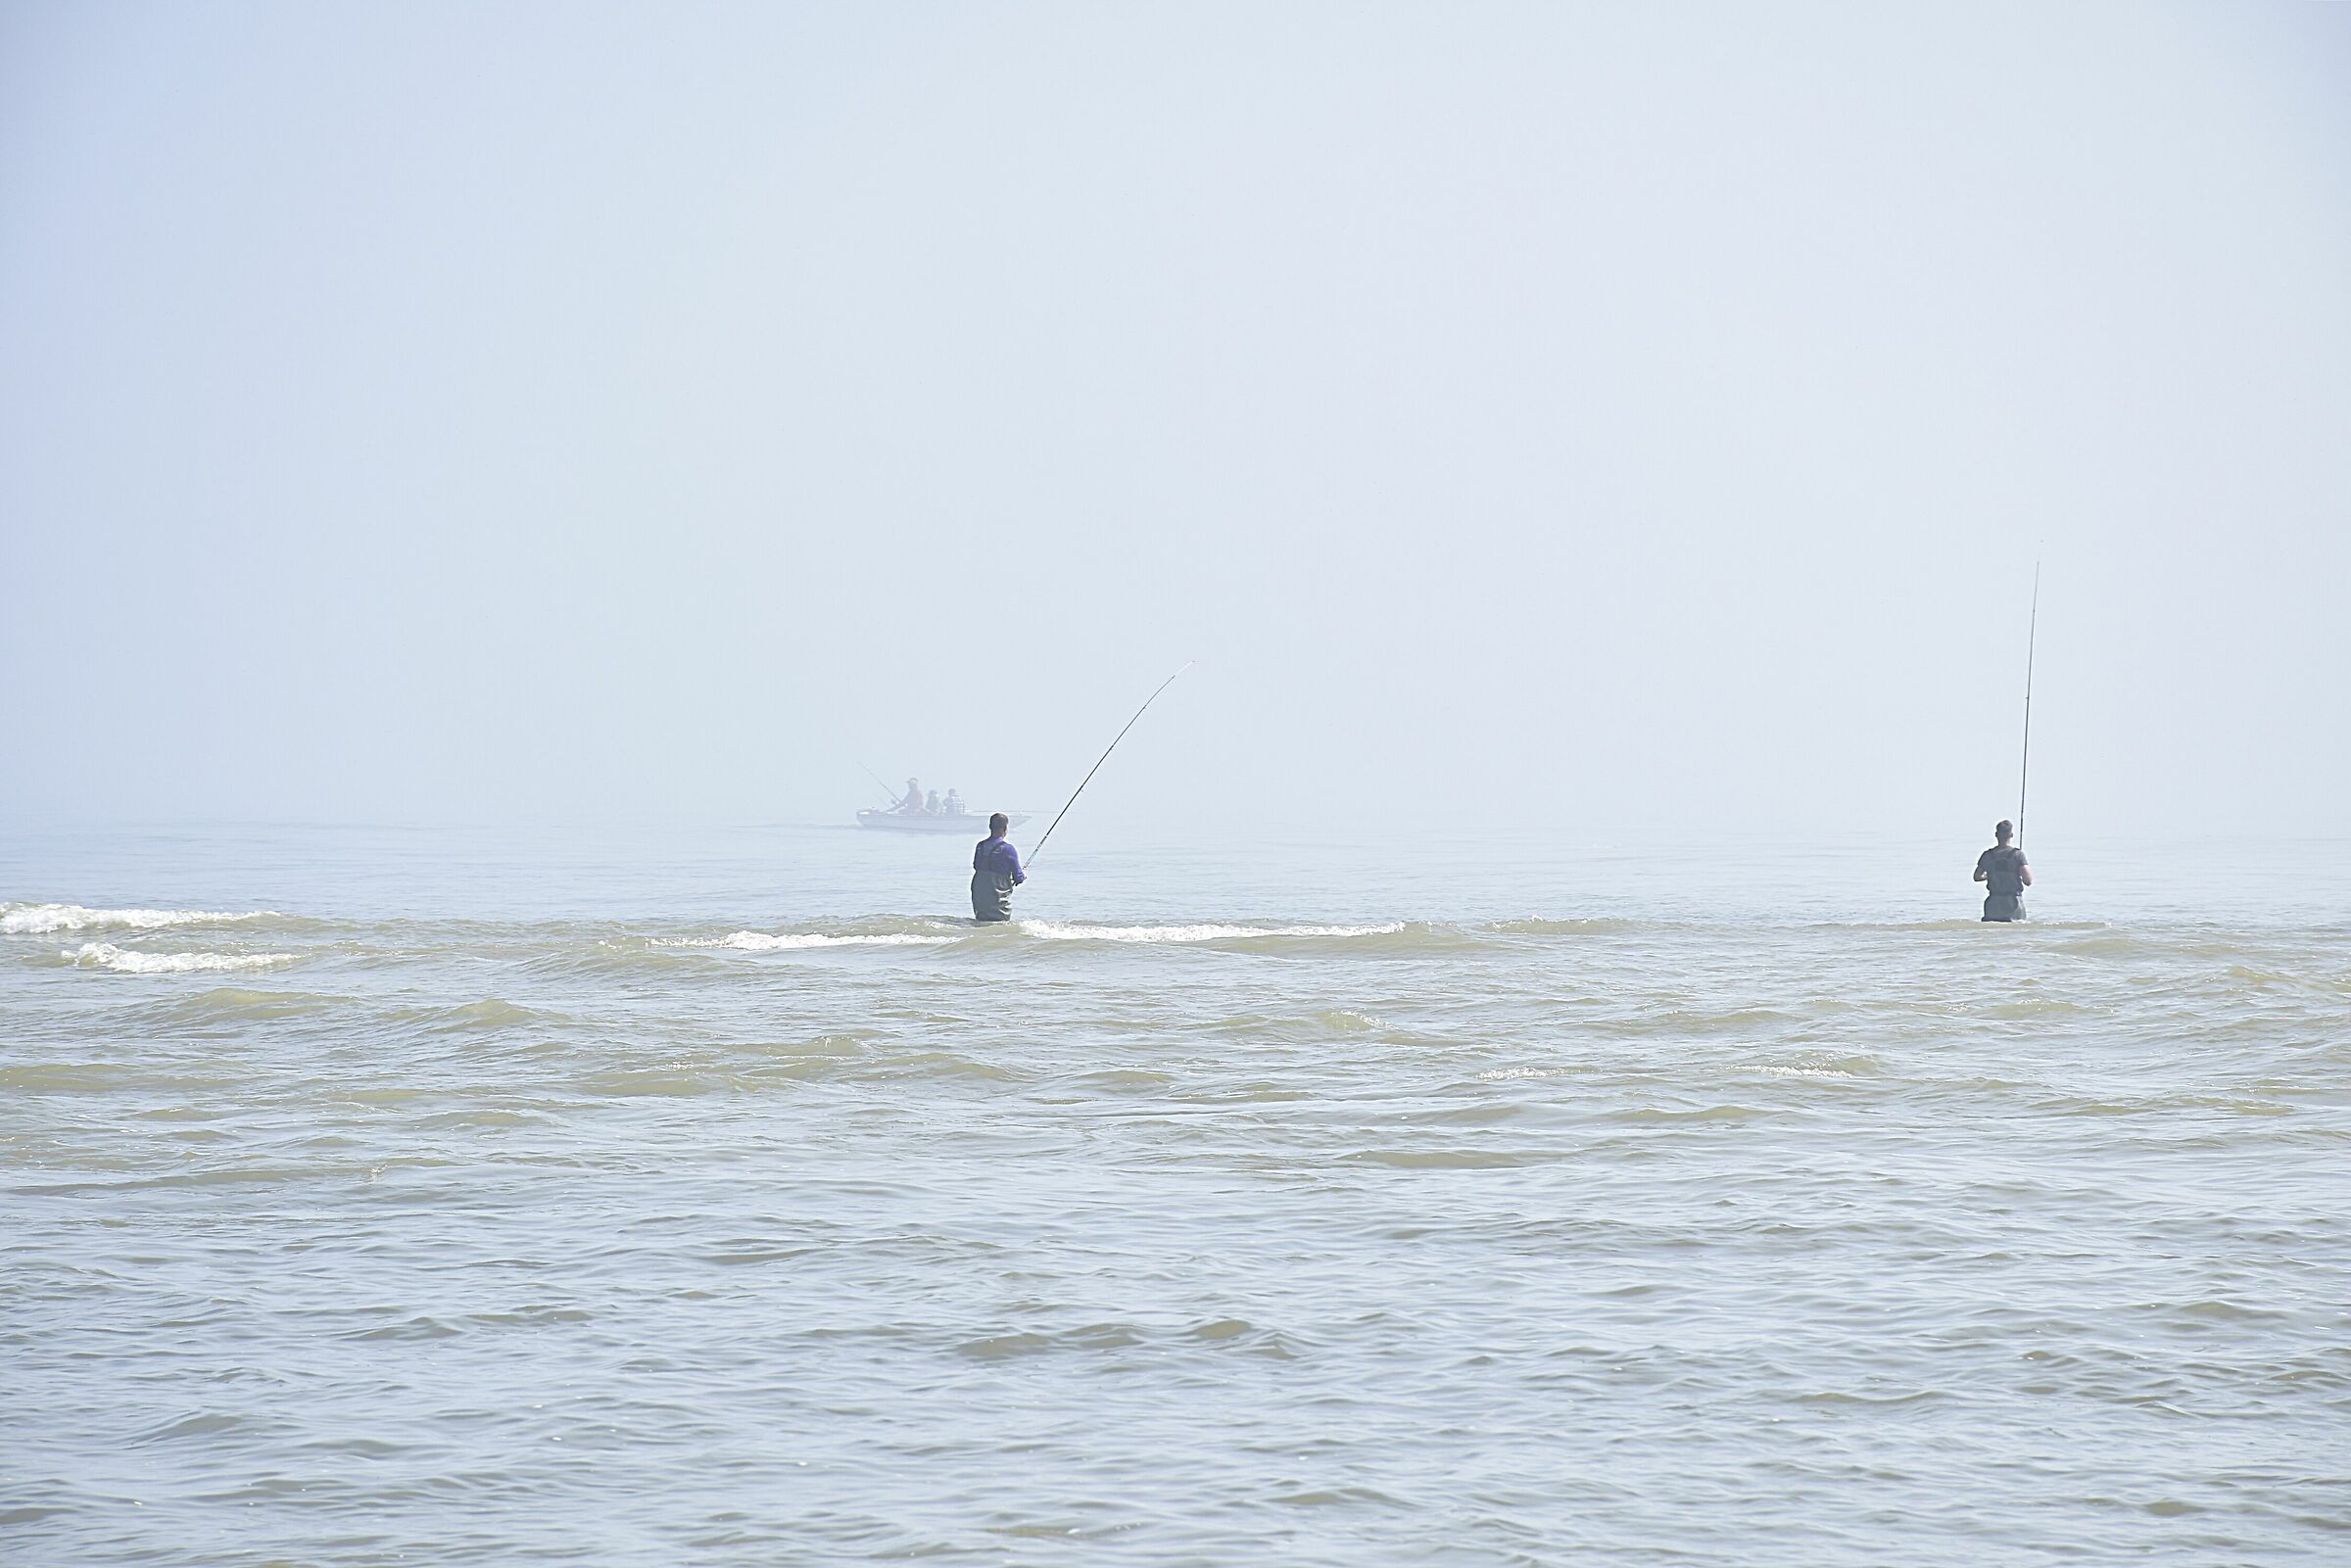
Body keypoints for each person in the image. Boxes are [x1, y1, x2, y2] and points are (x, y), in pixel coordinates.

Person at [1973, 820, 2034, 922]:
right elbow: (2028, 881)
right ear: (2011, 834)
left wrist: (1989, 875)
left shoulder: (1987, 855)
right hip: (2013, 904)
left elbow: (1977, 877)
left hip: (1993, 904)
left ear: (1996, 835)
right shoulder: (2018, 855)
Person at [971, 812, 1025, 923]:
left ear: (990, 827)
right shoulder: (1008, 849)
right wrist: (1022, 877)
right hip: (997, 896)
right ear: (1005, 828)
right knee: (999, 925)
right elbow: (1018, 877)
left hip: (979, 893)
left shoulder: (980, 846)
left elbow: (976, 866)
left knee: (982, 921)